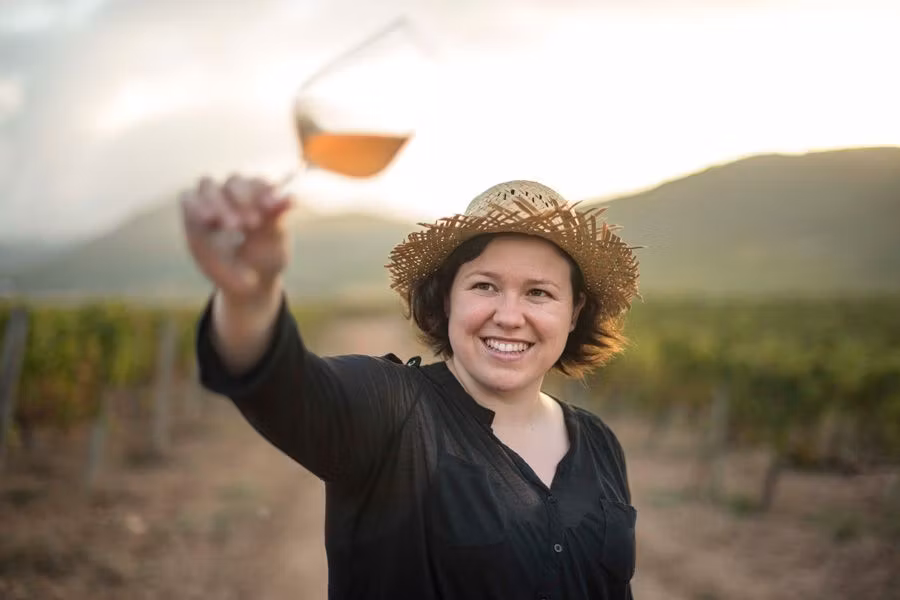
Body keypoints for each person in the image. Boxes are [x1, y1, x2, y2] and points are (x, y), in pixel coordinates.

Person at [180, 175, 641, 599]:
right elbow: (284, 386)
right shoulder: (392, 412)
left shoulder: (599, 444)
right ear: (447, 297)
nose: (508, 315)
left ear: (574, 311)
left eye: (538, 292)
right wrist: (250, 298)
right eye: (484, 286)